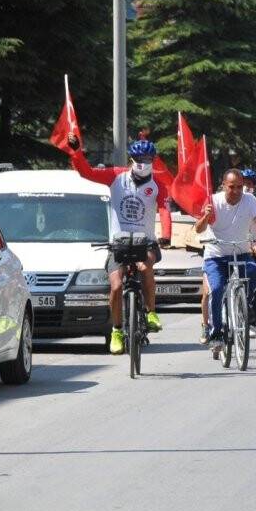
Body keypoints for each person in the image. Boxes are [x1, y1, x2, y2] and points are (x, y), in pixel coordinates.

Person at [67, 133, 166, 355]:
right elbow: (87, 172)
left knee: (145, 266)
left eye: (149, 161)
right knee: (117, 286)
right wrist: (76, 151)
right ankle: (117, 330)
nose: (144, 165)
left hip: (145, 242)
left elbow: (165, 210)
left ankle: (151, 312)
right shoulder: (116, 177)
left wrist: (166, 234)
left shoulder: (157, 184)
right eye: (140, 160)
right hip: (118, 243)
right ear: (131, 160)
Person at [194, 169, 256, 354]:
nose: (235, 191)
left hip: (241, 252)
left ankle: (244, 303)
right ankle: (216, 333)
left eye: (239, 187)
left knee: (253, 272)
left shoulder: (249, 200)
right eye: (231, 187)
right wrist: (205, 216)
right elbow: (198, 229)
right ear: (223, 186)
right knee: (217, 289)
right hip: (216, 255)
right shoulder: (213, 200)